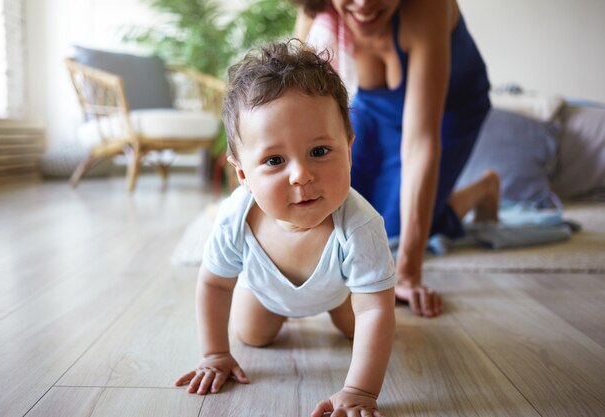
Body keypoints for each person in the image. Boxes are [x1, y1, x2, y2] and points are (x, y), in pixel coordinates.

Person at [175, 40, 397, 417]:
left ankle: (342, 301)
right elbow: (214, 284)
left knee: (360, 329)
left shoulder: (360, 225)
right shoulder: (236, 219)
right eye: (275, 160)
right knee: (254, 336)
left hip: (339, 291)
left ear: (348, 146)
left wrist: (359, 390)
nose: (302, 175)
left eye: (320, 151)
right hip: (265, 293)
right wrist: (215, 354)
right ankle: (269, 309)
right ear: (243, 174)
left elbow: (376, 310)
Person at [293, 0, 500, 318]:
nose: (363, 3)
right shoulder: (318, 14)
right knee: (341, 203)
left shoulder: (429, 7)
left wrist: (408, 272)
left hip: (450, 111)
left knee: (394, 228)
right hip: (374, 107)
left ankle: (484, 188)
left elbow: (421, 143)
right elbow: (295, 112)